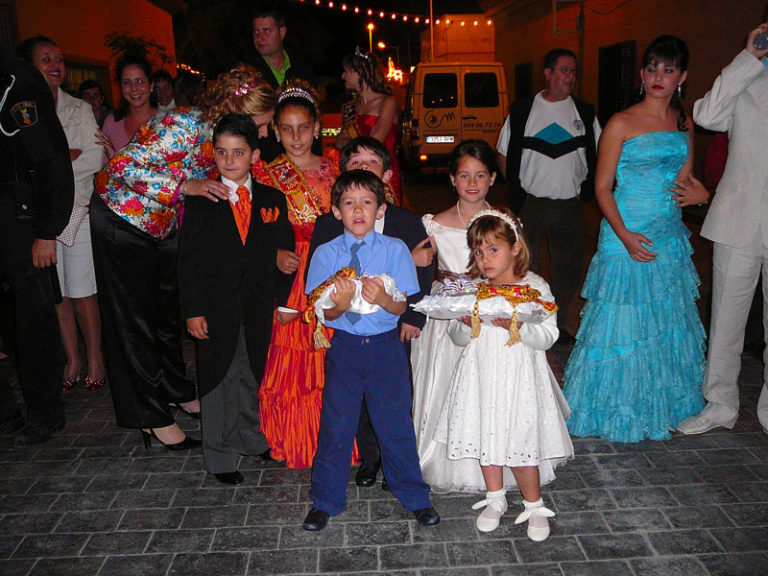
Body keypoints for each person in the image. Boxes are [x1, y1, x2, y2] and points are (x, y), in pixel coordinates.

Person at [91, 66, 276, 449]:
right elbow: (123, 167)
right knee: (135, 323)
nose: (263, 133)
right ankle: (151, 418)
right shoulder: (182, 124)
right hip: (122, 219)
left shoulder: (222, 139)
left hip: (161, 227)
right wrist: (185, 185)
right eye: (260, 124)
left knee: (166, 315)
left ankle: (177, 391)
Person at [563, 35, 709, 443]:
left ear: (682, 76)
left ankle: (661, 405)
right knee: (620, 322)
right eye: (651, 68)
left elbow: (685, 181)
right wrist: (624, 235)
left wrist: (700, 194)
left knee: (664, 321)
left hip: (667, 235)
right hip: (624, 233)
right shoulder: (621, 122)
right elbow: (602, 188)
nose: (657, 77)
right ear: (642, 74)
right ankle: (612, 407)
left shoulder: (683, 122)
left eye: (667, 69)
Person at [302, 169, 439, 531]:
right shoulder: (326, 254)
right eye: (348, 203)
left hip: (384, 349)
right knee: (336, 425)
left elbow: (402, 306)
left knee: (395, 423)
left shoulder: (394, 250)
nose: (358, 210)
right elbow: (324, 315)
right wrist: (340, 306)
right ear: (336, 211)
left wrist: (382, 299)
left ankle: (414, 495)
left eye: (366, 202)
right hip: (345, 350)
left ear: (380, 209)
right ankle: (326, 499)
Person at [435, 209, 573, 540]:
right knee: (487, 433)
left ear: (514, 248)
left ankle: (533, 503)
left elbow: (549, 334)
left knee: (521, 436)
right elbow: (456, 334)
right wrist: (467, 326)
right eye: (478, 252)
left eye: (492, 249)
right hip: (481, 374)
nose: (484, 259)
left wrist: (522, 327)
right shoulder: (474, 289)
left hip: (520, 377)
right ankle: (495, 497)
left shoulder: (535, 286)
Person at [179, 114, 295, 484]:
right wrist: (193, 310)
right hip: (216, 307)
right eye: (222, 153)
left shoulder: (272, 198)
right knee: (218, 379)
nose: (229, 161)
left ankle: (250, 436)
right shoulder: (202, 200)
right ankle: (219, 455)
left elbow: (280, 250)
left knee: (250, 372)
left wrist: (282, 300)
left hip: (257, 304)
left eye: (239, 153)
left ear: (255, 156)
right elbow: (190, 260)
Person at [678, 21, 768, 436]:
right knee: (726, 322)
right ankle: (719, 404)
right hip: (738, 219)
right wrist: (748, 58)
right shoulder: (747, 75)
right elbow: (707, 114)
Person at [254, 80, 340, 468]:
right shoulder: (265, 174)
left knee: (335, 357)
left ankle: (339, 437)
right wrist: (272, 253)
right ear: (274, 131)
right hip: (291, 280)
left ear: (317, 127)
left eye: (303, 127)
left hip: (332, 269)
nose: (295, 137)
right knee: (293, 357)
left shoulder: (337, 168)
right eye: (286, 129)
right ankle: (294, 436)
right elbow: (250, 229)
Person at [411, 139, 504, 493]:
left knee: (486, 387)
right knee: (445, 384)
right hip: (446, 314)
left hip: (488, 309)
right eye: (464, 174)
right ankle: (442, 456)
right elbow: (416, 268)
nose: (472, 182)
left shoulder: (504, 221)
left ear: (492, 178)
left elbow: (513, 271)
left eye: (481, 174)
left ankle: (492, 457)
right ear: (451, 179)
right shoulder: (434, 225)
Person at [19, 36, 106, 394]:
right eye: (46, 58)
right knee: (59, 292)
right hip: (41, 218)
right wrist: (63, 158)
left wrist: (54, 168)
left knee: (84, 289)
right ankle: (72, 358)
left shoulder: (79, 109)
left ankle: (96, 357)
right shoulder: (23, 111)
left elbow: (95, 158)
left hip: (77, 209)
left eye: (59, 58)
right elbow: (24, 164)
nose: (55, 64)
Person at [496, 48, 600, 345]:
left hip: (570, 205)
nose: (570, 77)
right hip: (532, 205)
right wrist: (517, 192)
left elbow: (600, 153)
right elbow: (504, 155)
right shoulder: (522, 111)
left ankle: (559, 321)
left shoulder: (585, 112)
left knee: (568, 267)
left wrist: (587, 190)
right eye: (564, 70)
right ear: (548, 72)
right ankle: (528, 323)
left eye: (573, 71)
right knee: (526, 266)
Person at [0, 49, 73, 444]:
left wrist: (47, 230)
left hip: (17, 217)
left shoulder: (17, 80)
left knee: (33, 319)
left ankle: (45, 412)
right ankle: (6, 411)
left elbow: (51, 159)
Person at [336, 49, 403, 205]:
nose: (343, 76)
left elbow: (374, 142)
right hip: (356, 170)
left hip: (384, 172)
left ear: (361, 73)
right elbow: (341, 140)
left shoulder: (388, 103)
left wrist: (346, 143)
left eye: (347, 71)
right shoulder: (351, 107)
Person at [97, 53, 157, 160]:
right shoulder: (112, 122)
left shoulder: (166, 122)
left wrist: (114, 157)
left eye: (140, 81)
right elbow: (104, 170)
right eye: (126, 83)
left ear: (151, 85)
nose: (134, 88)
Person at [249, 6, 317, 90]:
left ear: (282, 32)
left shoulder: (303, 73)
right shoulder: (247, 74)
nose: (259, 37)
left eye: (267, 31)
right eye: (256, 32)